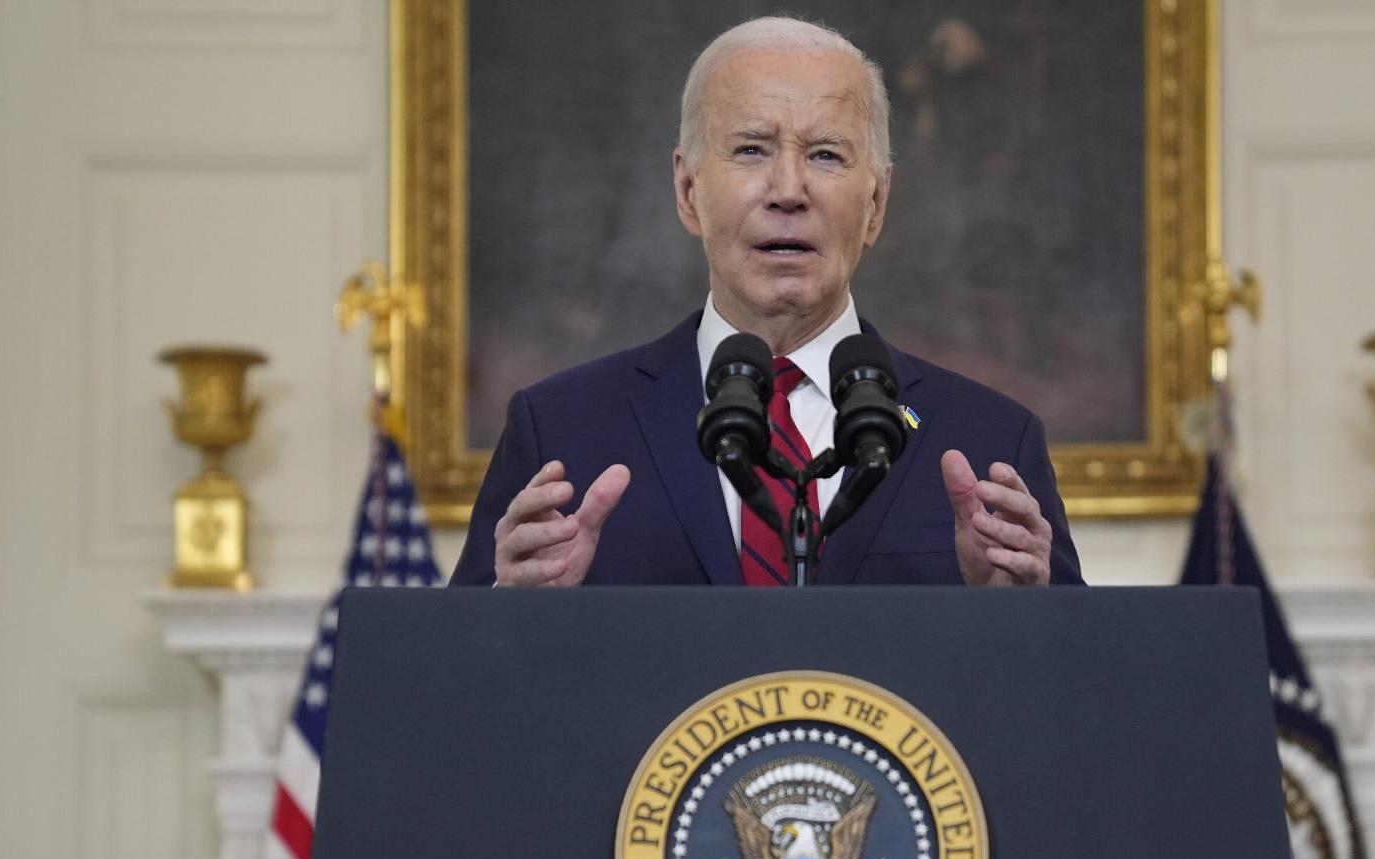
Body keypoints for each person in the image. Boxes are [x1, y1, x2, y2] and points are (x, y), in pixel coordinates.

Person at [449, 16, 1083, 588]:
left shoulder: (991, 443)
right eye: (751, 149)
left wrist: (1019, 619)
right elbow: (454, 698)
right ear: (687, 189)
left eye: (826, 155)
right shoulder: (561, 432)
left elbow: (1079, 697)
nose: (788, 190)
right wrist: (517, 621)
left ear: (876, 206)